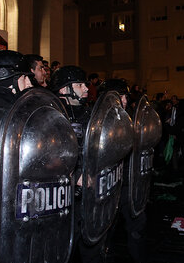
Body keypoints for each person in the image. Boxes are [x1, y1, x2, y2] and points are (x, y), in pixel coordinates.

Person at [50, 66, 102, 263]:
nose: (86, 89)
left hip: (89, 191)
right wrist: (76, 174)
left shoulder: (90, 113)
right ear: (64, 90)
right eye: (80, 85)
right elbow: (47, 154)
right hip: (62, 195)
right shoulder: (51, 113)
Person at [98, 78, 148, 263]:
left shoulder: (130, 117)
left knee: (137, 225)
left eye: (126, 96)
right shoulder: (97, 121)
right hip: (106, 185)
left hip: (127, 182)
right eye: (120, 96)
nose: (125, 100)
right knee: (104, 230)